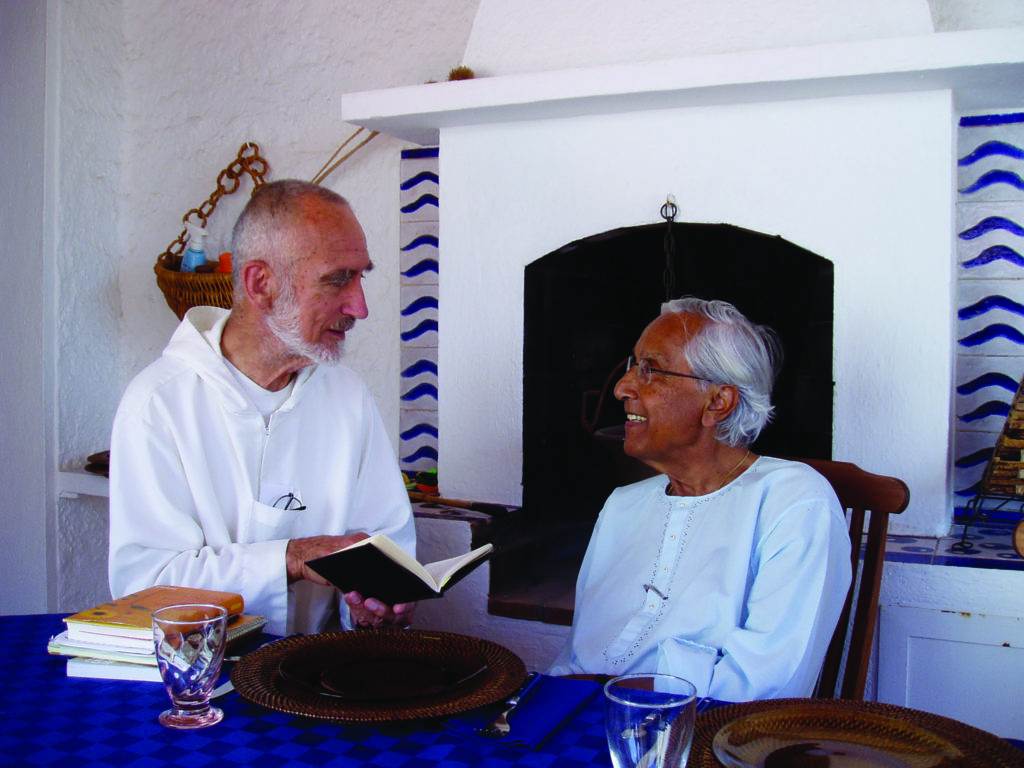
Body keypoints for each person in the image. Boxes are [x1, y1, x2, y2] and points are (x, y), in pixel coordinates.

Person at [108, 180, 416, 636]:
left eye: (361, 276)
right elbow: (145, 588)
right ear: (261, 284)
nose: (360, 306)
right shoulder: (159, 403)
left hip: (321, 677)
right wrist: (291, 557)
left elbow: (387, 547)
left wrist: (373, 606)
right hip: (200, 686)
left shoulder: (348, 396)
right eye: (338, 279)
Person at [549, 297, 851, 701]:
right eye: (631, 367)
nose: (622, 388)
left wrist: (605, 696)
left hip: (701, 740)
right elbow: (575, 658)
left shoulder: (793, 501)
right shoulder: (622, 506)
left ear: (718, 402)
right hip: (577, 717)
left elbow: (765, 683)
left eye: (650, 370)